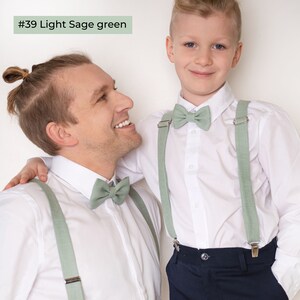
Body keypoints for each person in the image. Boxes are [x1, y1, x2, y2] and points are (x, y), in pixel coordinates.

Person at [6, 0, 300, 299]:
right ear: (170, 48)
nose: (203, 59)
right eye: (190, 44)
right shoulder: (152, 129)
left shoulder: (263, 121)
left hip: (252, 272)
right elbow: (97, 168)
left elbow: (296, 203)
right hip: (185, 273)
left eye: (219, 47)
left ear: (237, 53)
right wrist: (45, 161)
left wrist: (282, 284)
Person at [0, 53, 162, 300]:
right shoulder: (24, 211)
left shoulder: (145, 204)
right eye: (102, 98)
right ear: (62, 133)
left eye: (115, 89)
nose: (127, 102)